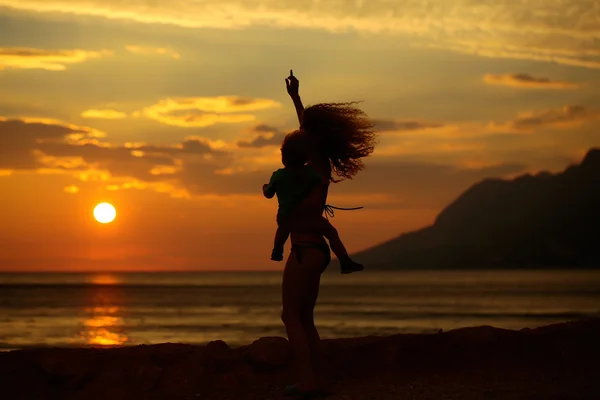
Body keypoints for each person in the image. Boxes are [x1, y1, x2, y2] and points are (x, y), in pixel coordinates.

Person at [279, 70, 377, 398]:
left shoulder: (310, 173)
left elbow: (308, 133)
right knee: (304, 317)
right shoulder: (317, 171)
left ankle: (307, 381)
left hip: (306, 250)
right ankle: (317, 379)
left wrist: (297, 101)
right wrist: (295, 99)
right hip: (316, 251)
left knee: (290, 315)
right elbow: (308, 132)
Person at [263, 133, 365, 274]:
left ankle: (277, 251)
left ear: (283, 156)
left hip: (286, 215)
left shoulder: (278, 175)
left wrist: (265, 187)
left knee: (283, 230)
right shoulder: (309, 173)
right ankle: (345, 261)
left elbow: (268, 194)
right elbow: (321, 181)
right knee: (331, 233)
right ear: (305, 158)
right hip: (308, 217)